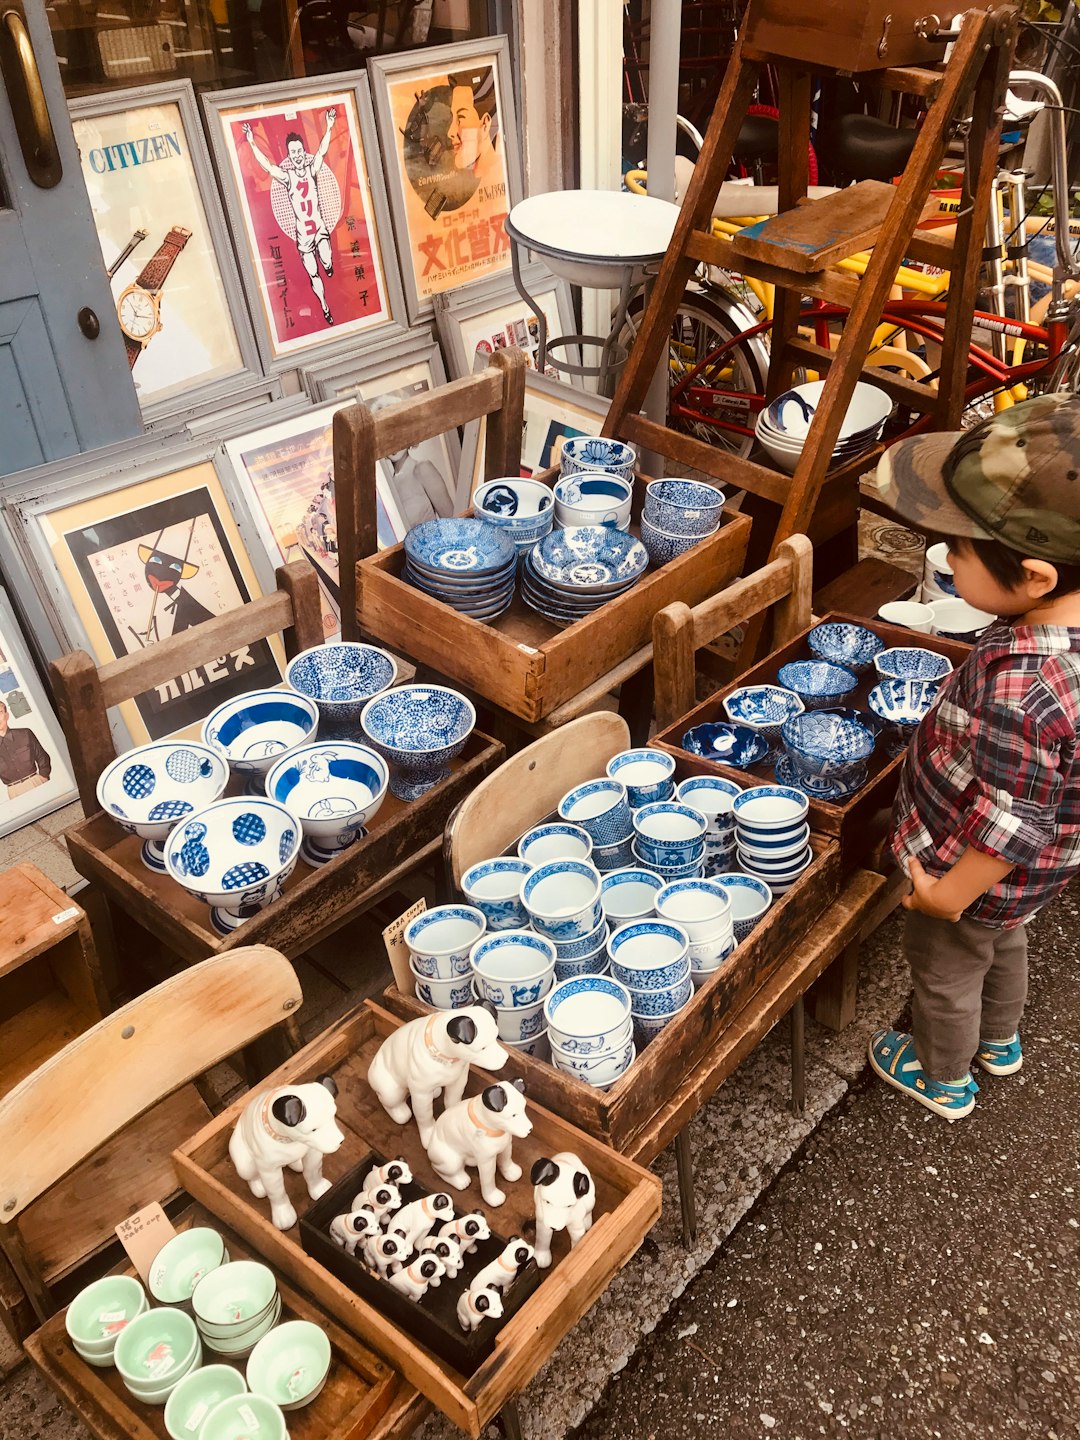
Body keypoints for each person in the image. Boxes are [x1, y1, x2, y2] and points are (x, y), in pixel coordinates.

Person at [867, 392, 1080, 1121]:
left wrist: (946, 895)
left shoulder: (1026, 687)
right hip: (1033, 878)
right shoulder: (1057, 640)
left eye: (958, 551)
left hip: (969, 872)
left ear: (1035, 576)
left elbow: (1008, 821)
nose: (947, 560)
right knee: (1007, 942)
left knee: (946, 968)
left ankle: (942, 1074)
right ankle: (1001, 1040)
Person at [242, 110, 338, 325]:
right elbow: (267, 166)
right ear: (289, 154)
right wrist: (252, 143)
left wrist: (329, 127)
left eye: (298, 151)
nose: (295, 155)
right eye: (291, 152)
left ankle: (329, 265)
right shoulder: (288, 177)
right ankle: (325, 308)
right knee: (314, 274)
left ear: (304, 151)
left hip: (319, 230)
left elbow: (321, 151)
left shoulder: (312, 169)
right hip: (303, 237)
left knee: (326, 258)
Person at [368, 393, 454, 530]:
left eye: (397, 436)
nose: (393, 445)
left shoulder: (422, 469)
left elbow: (453, 523)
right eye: (386, 439)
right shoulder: (386, 487)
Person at [445, 67, 501, 190]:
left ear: (485, 123)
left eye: (460, 119)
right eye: (451, 119)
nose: (450, 132)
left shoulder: (501, 174)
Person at [0, 700, 51, 799]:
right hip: (14, 791)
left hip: (35, 782)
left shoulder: (25, 734)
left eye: (0, 712)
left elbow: (42, 757)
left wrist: (43, 777)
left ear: (6, 715)